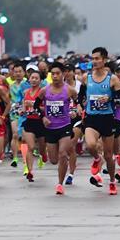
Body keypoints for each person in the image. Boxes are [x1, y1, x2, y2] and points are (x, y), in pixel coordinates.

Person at [80, 47, 120, 194]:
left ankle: (112, 181)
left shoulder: (112, 79)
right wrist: (80, 105)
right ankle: (96, 159)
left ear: (104, 60)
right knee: (91, 145)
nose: (94, 61)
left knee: (108, 155)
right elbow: (80, 98)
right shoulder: (86, 78)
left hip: (107, 118)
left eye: (97, 58)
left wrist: (110, 98)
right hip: (92, 118)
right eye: (93, 59)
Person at [41, 62, 78, 195]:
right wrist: (43, 117)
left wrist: (74, 110)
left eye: (58, 73)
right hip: (51, 128)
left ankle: (59, 184)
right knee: (53, 160)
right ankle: (55, 157)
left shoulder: (69, 90)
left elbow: (78, 102)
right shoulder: (45, 90)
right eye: (53, 74)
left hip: (65, 126)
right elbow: (36, 106)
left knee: (63, 154)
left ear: (63, 74)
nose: (55, 76)